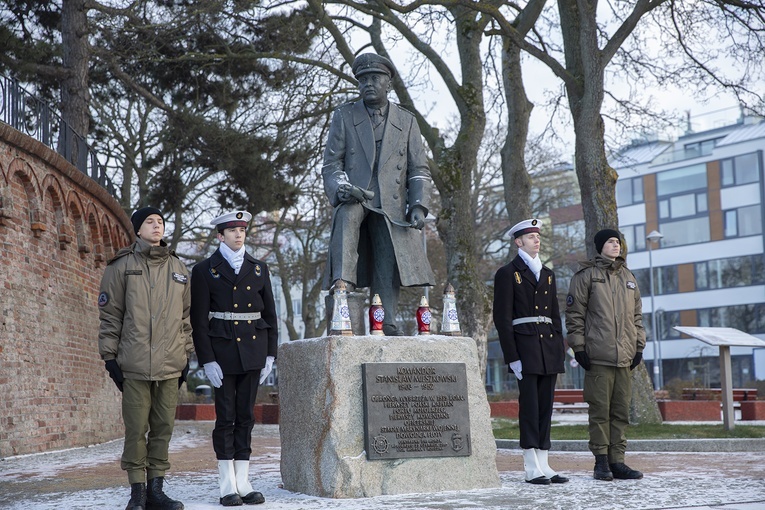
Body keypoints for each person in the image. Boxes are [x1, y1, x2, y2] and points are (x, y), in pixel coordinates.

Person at [321, 52, 435, 335]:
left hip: (390, 206)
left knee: (387, 249)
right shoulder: (345, 116)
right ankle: (342, 290)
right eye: (363, 80)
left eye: (374, 78)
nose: (368, 84)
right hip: (356, 195)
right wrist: (341, 187)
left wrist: (418, 205)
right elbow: (331, 165)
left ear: (388, 83)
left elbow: (418, 170)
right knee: (346, 216)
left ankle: (386, 319)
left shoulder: (407, 121)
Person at [98, 206, 192, 510]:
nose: (156, 226)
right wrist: (110, 358)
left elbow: (185, 318)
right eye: (149, 222)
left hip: (170, 365)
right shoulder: (121, 265)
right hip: (134, 364)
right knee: (136, 429)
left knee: (163, 428)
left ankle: (156, 490)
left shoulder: (178, 268)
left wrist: (185, 355)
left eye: (161, 221)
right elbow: (111, 316)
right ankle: (137, 491)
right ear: (137, 230)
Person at [190, 211, 278, 506]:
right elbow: (199, 320)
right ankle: (227, 484)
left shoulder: (259, 268)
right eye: (232, 230)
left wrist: (270, 355)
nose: (238, 234)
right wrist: (207, 360)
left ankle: (244, 481)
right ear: (220, 235)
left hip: (253, 350)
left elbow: (271, 316)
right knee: (225, 419)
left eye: (242, 229)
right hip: (223, 353)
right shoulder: (205, 270)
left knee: (246, 418)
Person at [565, 229, 646, 481]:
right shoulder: (586, 276)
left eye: (618, 242)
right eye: (611, 241)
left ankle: (617, 461)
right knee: (600, 410)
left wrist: (639, 346)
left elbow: (637, 317)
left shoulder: (629, 277)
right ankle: (601, 462)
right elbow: (574, 315)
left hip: (624, 357)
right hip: (598, 355)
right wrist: (578, 347)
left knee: (621, 412)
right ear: (600, 246)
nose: (616, 245)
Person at [493, 219, 568, 485]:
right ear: (518, 241)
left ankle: (544, 463)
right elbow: (502, 319)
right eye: (531, 236)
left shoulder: (547, 273)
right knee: (530, 407)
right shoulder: (508, 273)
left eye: (538, 236)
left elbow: (555, 317)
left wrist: (559, 349)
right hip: (524, 347)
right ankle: (530, 466)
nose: (537, 240)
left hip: (547, 347)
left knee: (545, 408)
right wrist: (512, 356)